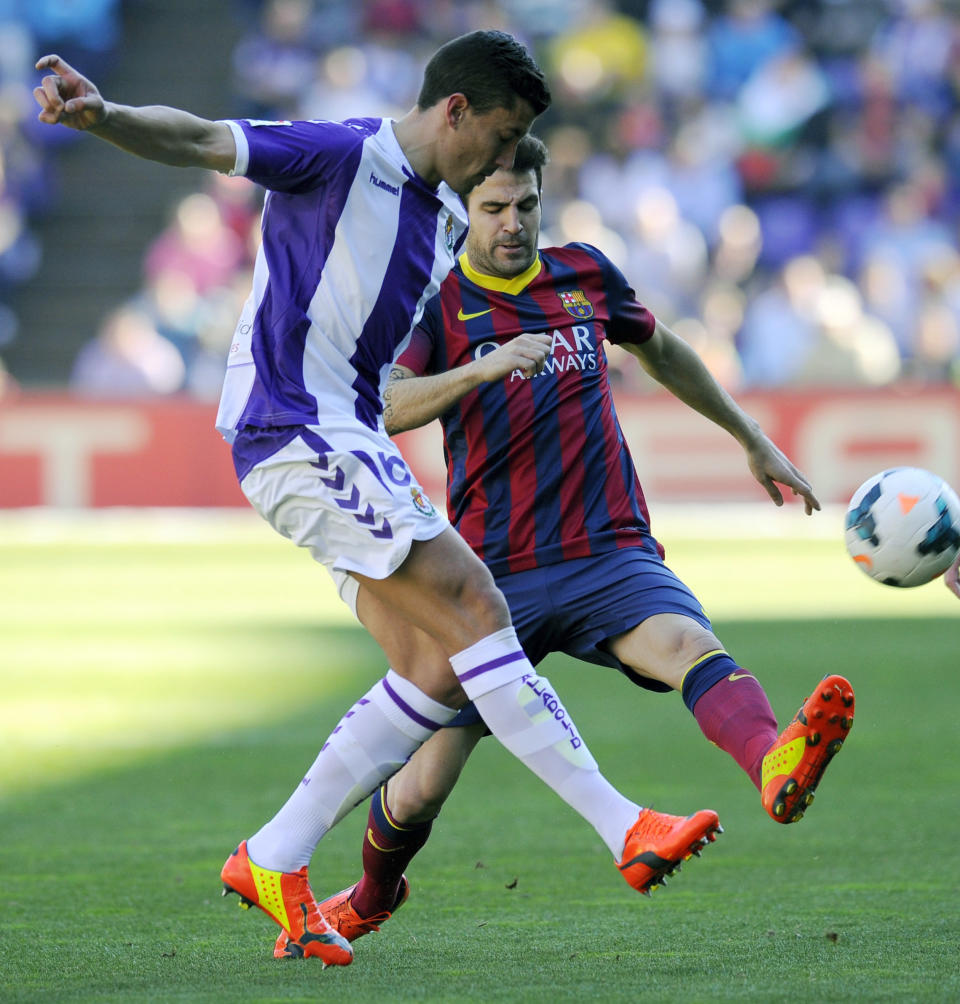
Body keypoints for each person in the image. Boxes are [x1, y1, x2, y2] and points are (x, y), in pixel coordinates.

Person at [33, 34, 721, 968]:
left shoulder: (439, 212)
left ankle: (273, 857)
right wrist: (103, 114)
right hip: (296, 430)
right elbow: (200, 139)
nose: (505, 157)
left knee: (440, 665)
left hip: (346, 436)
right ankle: (624, 826)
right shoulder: (342, 154)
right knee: (480, 607)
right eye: (503, 132)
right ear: (457, 113)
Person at [274, 134, 857, 956]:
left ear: (543, 199)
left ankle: (774, 764)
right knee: (421, 785)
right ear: (463, 210)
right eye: (493, 208)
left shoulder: (585, 274)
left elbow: (662, 350)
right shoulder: (434, 300)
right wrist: (482, 370)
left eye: (526, 206)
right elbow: (387, 403)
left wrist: (749, 435)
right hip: (485, 578)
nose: (512, 223)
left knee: (689, 645)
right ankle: (369, 896)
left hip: (605, 549)